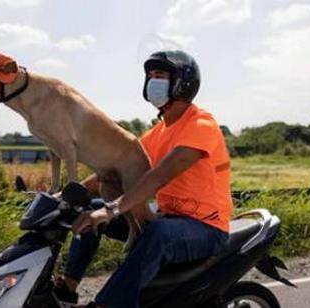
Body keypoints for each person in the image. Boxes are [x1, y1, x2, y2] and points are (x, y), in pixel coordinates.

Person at [53, 50, 234, 308]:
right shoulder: (157, 133)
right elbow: (116, 170)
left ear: (182, 83)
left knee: (158, 233)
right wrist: (65, 195)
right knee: (89, 211)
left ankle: (111, 304)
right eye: (149, 77)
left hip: (206, 227)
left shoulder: (201, 125)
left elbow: (159, 176)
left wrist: (113, 209)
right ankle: (67, 289)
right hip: (168, 217)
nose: (152, 82)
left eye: (159, 75)